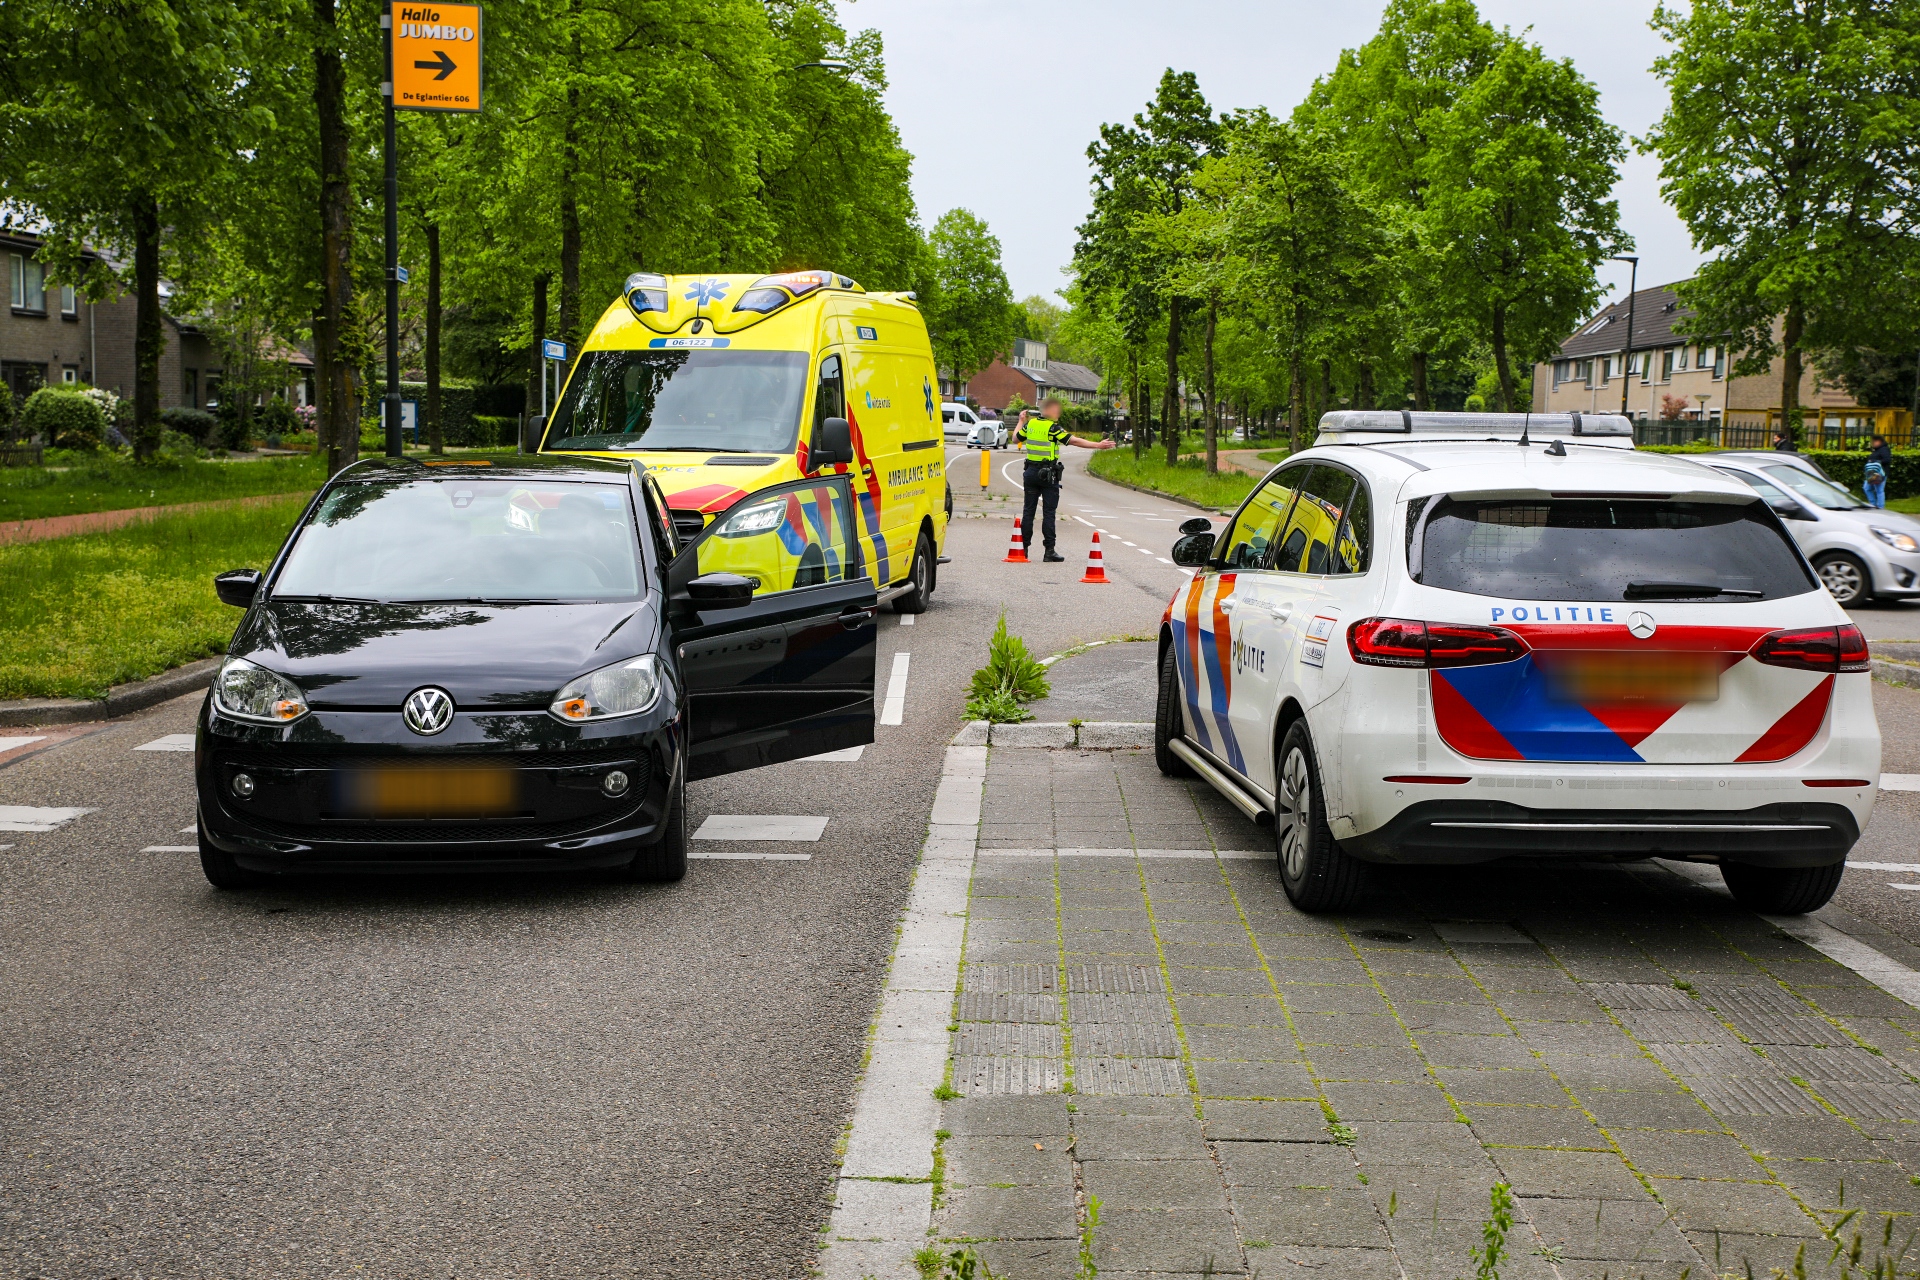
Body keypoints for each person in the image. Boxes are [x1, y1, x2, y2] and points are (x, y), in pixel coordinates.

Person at [1017, 398, 1113, 562]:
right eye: (1056, 410)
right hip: (1047, 474)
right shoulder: (1053, 428)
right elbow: (1073, 440)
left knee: (1028, 511)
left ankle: (1023, 549)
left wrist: (1020, 421)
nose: (1058, 413)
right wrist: (1098, 445)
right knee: (1048, 512)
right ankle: (1049, 551)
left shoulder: (1030, 425)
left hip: (1030, 473)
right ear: (1049, 411)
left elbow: (1015, 438)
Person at [1865, 434, 1892, 509]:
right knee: (1867, 488)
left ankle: (1880, 506)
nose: (1873, 443)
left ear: (1879, 441)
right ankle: (1873, 504)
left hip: (1880, 473)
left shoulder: (1884, 449)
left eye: (1874, 441)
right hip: (1872, 473)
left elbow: (1887, 460)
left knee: (1879, 490)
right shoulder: (1877, 450)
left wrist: (1875, 461)